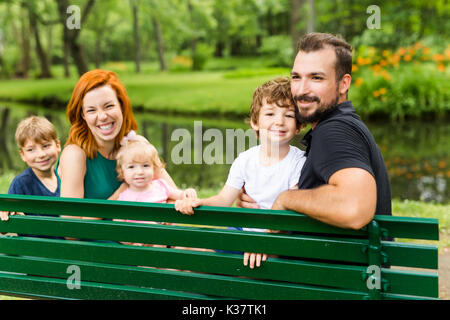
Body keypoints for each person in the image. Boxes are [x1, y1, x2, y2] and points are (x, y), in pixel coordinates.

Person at [239, 33, 392, 229]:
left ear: (343, 84)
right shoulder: (341, 125)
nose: (302, 90)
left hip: (329, 259)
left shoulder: (334, 132)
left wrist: (286, 199)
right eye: (296, 77)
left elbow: (355, 207)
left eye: (316, 78)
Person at [175, 77, 306, 268]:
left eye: (289, 115)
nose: (279, 121)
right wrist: (200, 202)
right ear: (254, 122)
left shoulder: (299, 163)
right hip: (243, 232)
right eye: (270, 114)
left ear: (299, 126)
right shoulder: (245, 160)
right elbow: (224, 200)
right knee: (213, 253)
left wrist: (263, 241)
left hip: (277, 238)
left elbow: (291, 211)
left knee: (260, 266)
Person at [57, 69, 178, 209]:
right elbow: (71, 222)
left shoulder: (137, 145)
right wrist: (118, 195)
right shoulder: (75, 155)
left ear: (121, 106)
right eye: (91, 110)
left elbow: (174, 196)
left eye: (108, 106)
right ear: (83, 115)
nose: (102, 116)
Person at [114, 130, 197, 246]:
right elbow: (118, 230)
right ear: (122, 172)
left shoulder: (161, 186)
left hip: (166, 240)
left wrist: (188, 193)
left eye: (145, 165)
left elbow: (180, 195)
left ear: (154, 168)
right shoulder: (123, 198)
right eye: (132, 167)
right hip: (142, 246)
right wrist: (131, 242)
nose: (139, 172)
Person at [0, 116, 62, 239]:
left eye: (46, 146)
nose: (41, 154)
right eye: (31, 150)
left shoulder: (66, 179)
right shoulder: (21, 183)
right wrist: (5, 213)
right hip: (36, 254)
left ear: (58, 145)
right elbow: (5, 226)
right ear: (22, 154)